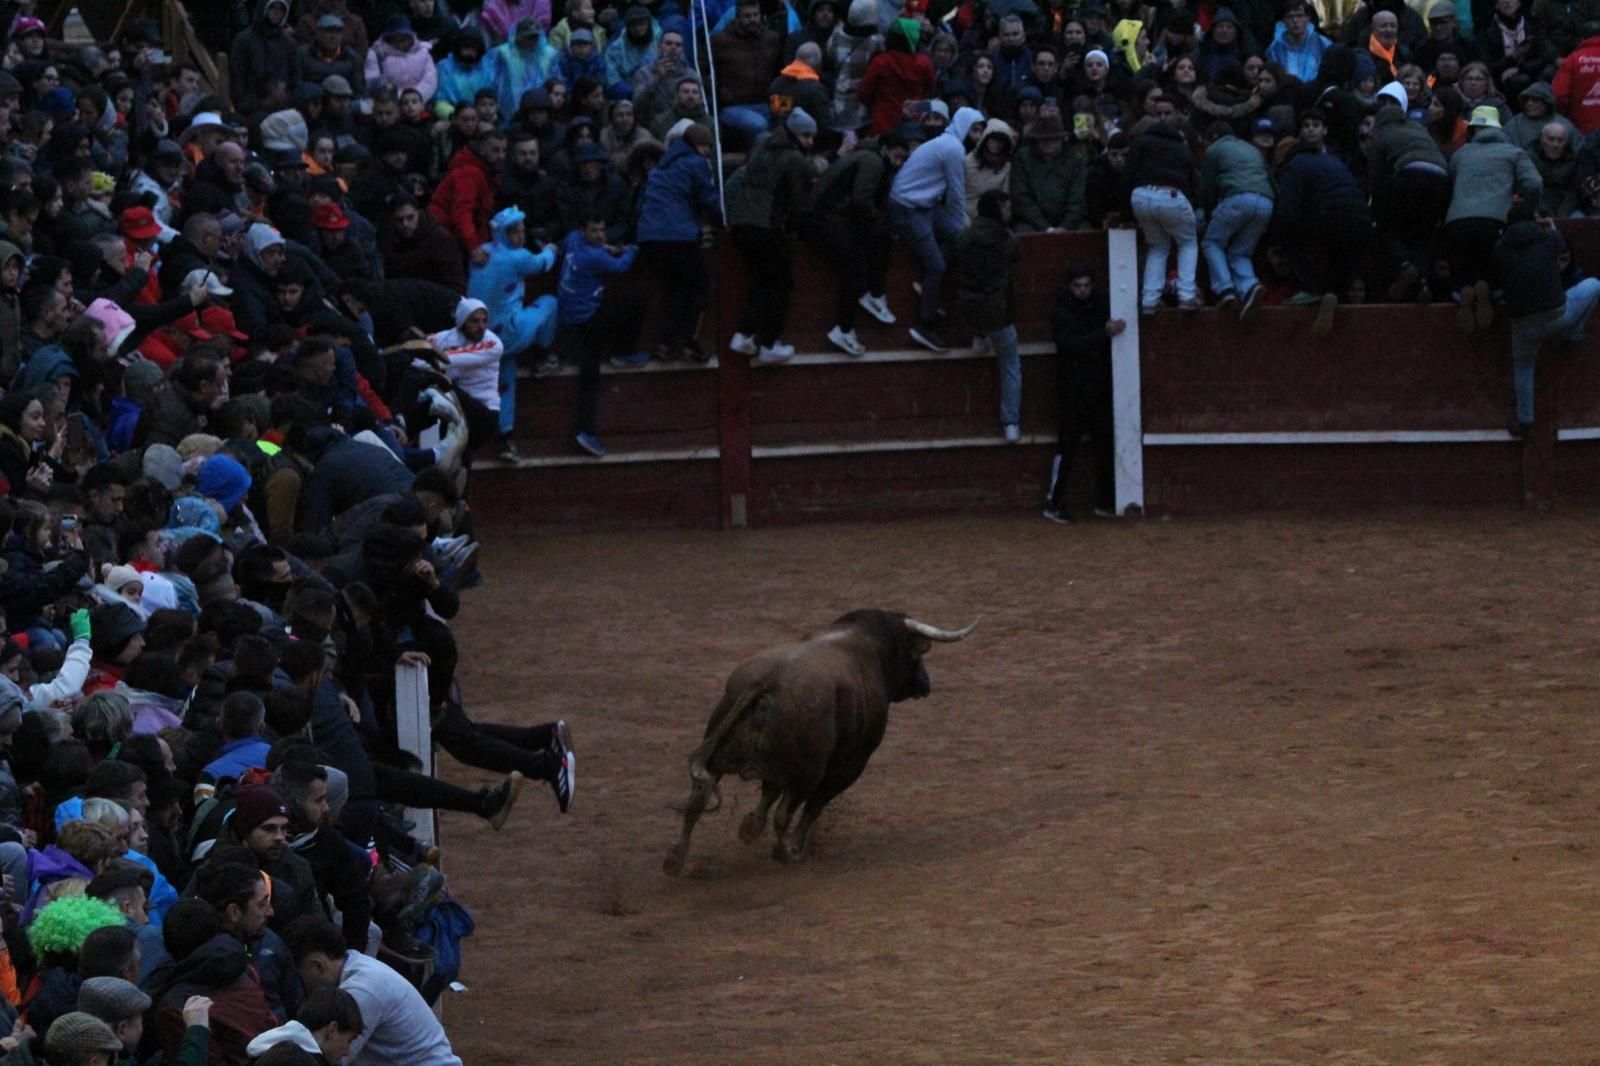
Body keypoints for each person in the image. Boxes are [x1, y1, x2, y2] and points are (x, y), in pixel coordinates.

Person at [285, 915, 462, 1066]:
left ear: (317, 965)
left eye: (302, 975)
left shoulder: (361, 990)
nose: (303, 984)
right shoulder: (358, 966)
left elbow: (329, 1058)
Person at [888, 106, 986, 352]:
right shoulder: (953, 149)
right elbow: (956, 192)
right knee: (937, 265)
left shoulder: (947, 142)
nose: (978, 136)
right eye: (974, 130)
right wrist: (962, 223)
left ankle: (930, 288)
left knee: (956, 238)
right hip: (908, 208)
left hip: (925, 206)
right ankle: (925, 325)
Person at [467, 206, 558, 462]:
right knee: (550, 303)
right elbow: (543, 264)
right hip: (508, 331)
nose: (520, 236)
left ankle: (506, 438)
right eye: (514, 231)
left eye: (521, 230)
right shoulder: (517, 258)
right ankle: (545, 353)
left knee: (505, 380)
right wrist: (551, 248)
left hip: (484, 336)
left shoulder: (483, 251)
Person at [726, 108, 815, 364]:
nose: (810, 141)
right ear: (795, 134)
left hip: (743, 224)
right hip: (765, 226)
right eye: (806, 136)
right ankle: (767, 342)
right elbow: (799, 203)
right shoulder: (793, 158)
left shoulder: (762, 147)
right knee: (779, 284)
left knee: (762, 280)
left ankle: (745, 334)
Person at [1496, 219, 1600, 437]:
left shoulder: (1500, 250)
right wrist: (1551, 226)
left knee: (1523, 367)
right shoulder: (1549, 239)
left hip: (1524, 325)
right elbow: (1560, 245)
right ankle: (1574, 333)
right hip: (1557, 316)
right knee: (1595, 285)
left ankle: (1524, 420)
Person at [1445, 106, 1542, 333]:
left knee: (1463, 269)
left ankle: (1463, 291)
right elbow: (1534, 184)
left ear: (1474, 129)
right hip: (1495, 220)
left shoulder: (1460, 154)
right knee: (1493, 269)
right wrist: (1524, 210)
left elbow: (1449, 185)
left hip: (1457, 222)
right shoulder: (1513, 152)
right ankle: (1488, 289)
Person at [809, 131, 906, 358]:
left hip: (826, 218)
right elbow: (861, 200)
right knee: (853, 274)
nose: (898, 163)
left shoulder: (865, 155)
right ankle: (847, 325)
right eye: (897, 157)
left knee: (855, 268)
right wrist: (879, 218)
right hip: (829, 220)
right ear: (886, 150)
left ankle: (861, 310)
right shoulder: (873, 162)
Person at [636, 123, 720, 363]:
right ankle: (688, 343)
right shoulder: (696, 163)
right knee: (700, 286)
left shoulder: (662, 166)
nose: (707, 152)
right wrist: (724, 220)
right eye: (706, 147)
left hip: (649, 237)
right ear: (698, 146)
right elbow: (709, 199)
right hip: (677, 236)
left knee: (675, 290)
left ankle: (664, 343)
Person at [557, 215, 640, 456]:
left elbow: (566, 246)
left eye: (603, 231)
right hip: (588, 319)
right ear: (583, 230)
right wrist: (631, 250)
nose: (601, 235)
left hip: (571, 315)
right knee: (635, 303)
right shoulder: (593, 256)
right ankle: (624, 352)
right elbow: (622, 266)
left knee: (588, 374)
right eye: (595, 231)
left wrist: (606, 247)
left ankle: (585, 430)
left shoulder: (573, 240)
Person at [1045, 267, 1123, 523]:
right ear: (1071, 287)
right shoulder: (1061, 313)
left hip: (1095, 386)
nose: (1083, 290)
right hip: (1073, 388)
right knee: (1068, 445)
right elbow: (1071, 346)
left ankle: (1104, 499)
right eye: (1078, 286)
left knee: (1102, 443)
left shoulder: (1094, 306)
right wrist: (1104, 332)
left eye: (1086, 285)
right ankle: (1054, 501)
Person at [952, 190, 1023, 442]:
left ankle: (979, 338)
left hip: (968, 305)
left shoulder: (964, 236)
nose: (1009, 212)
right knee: (1010, 363)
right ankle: (1011, 422)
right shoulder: (1005, 239)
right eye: (1005, 208)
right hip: (996, 310)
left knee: (978, 317)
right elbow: (1015, 254)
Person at [1125, 110, 1200, 313]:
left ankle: (1149, 300)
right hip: (1172, 196)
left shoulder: (1141, 142)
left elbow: (1128, 174)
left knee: (1158, 247)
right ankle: (1187, 296)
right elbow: (1192, 183)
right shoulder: (1182, 150)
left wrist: (1125, 212)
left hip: (1140, 195)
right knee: (1188, 243)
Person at [1199, 119, 1275, 316]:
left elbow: (1207, 188)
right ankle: (1250, 286)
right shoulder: (1252, 150)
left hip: (1237, 198)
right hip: (1266, 202)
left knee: (1212, 242)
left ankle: (1226, 290)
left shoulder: (1214, 149)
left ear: (1212, 138)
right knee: (1240, 252)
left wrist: (1208, 215)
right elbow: (1271, 179)